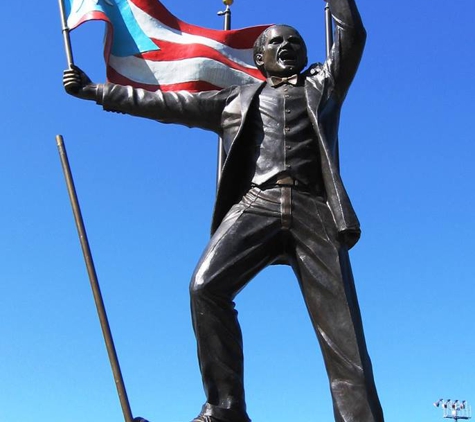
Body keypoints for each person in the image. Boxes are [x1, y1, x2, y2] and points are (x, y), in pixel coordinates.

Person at [64, 0, 384, 421]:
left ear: (307, 54)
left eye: (295, 41)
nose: (286, 46)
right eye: (276, 41)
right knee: (205, 287)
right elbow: (166, 105)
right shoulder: (234, 100)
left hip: (313, 209)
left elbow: (352, 35)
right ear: (259, 56)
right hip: (257, 203)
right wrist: (98, 92)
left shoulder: (323, 86)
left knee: (342, 332)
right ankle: (226, 407)